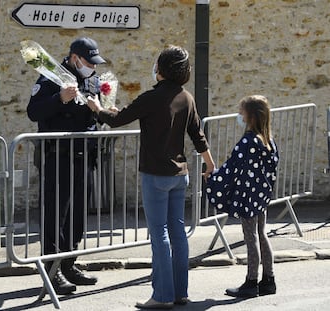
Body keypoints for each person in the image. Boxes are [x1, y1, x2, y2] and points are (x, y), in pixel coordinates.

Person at [88, 45, 216, 309]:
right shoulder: (187, 97)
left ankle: (161, 295)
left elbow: (118, 119)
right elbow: (197, 134)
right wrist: (210, 164)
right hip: (180, 175)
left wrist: (96, 108)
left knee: (159, 235)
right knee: (178, 233)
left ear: (162, 69)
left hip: (156, 174)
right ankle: (180, 292)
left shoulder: (151, 97)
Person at [27, 37, 106, 295]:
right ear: (74, 58)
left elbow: (94, 121)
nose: (92, 67)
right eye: (87, 62)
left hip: (84, 157)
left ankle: (70, 264)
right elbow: (33, 112)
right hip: (57, 158)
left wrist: (102, 111)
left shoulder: (92, 80)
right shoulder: (51, 77)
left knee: (78, 214)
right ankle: (53, 270)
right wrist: (59, 99)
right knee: (55, 215)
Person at [206, 95, 279, 298]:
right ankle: (268, 280)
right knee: (262, 234)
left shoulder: (248, 141)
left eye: (242, 111)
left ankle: (251, 282)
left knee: (251, 236)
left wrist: (213, 177)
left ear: (252, 116)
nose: (240, 115)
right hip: (261, 195)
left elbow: (232, 167)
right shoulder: (269, 141)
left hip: (248, 196)